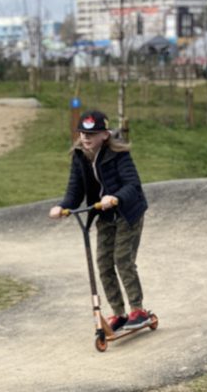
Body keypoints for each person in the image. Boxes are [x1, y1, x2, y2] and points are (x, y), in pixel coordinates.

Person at [49, 109, 150, 331]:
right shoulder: (79, 156)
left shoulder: (118, 153)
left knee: (122, 259)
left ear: (104, 135)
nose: (85, 138)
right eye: (83, 133)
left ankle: (138, 309)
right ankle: (119, 313)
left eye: (92, 133)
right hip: (104, 216)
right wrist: (62, 206)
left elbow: (133, 185)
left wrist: (115, 197)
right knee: (104, 263)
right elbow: (74, 192)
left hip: (127, 213)